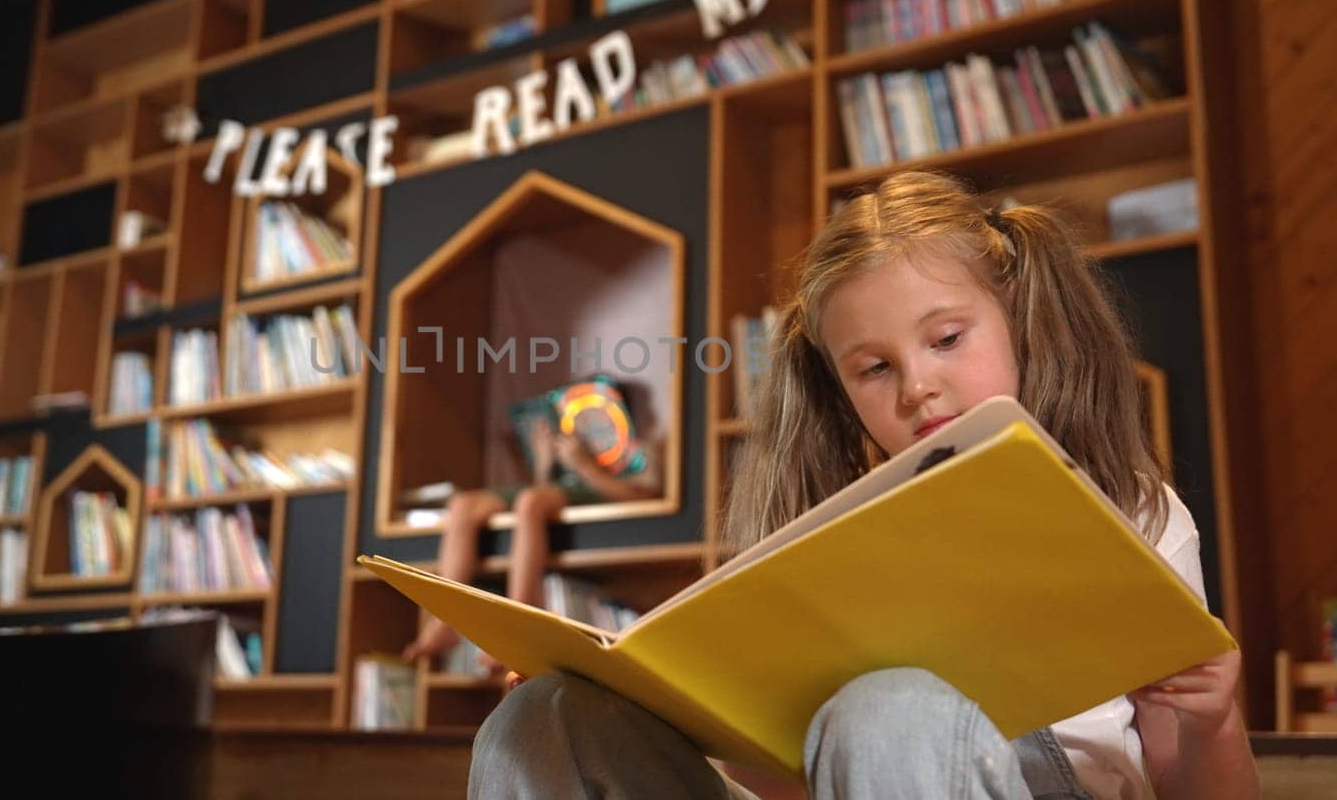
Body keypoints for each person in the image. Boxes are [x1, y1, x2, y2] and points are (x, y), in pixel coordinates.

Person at [466, 171, 1259, 799]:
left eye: (947, 339)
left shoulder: (1139, 512)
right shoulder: (830, 530)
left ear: (1019, 320)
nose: (918, 387)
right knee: (541, 719)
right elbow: (786, 781)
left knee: (892, 710)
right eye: (874, 369)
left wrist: (1214, 723)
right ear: (840, 388)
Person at [402, 376, 662, 665]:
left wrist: (585, 466)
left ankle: (516, 626)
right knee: (462, 505)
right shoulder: (570, 443)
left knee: (530, 503)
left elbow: (644, 498)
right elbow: (545, 488)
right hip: (558, 492)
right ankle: (444, 620)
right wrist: (543, 463)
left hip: (599, 490)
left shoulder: (639, 448)